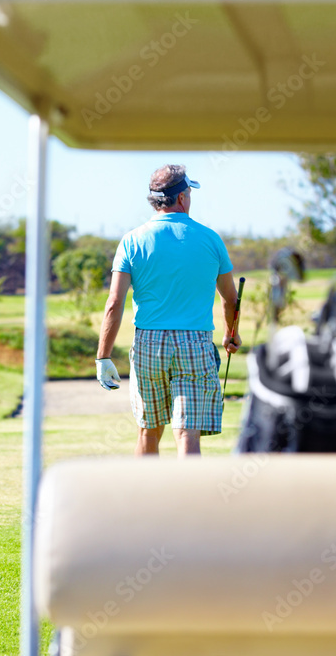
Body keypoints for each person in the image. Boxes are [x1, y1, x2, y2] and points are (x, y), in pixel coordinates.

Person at [95, 164, 242, 457]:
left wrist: (103, 356)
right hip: (195, 343)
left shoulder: (132, 240)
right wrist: (230, 334)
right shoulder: (210, 238)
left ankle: (145, 501)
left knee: (149, 430)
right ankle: (189, 502)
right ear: (182, 198)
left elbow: (115, 303)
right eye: (189, 192)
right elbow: (230, 298)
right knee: (188, 433)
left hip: (148, 343)